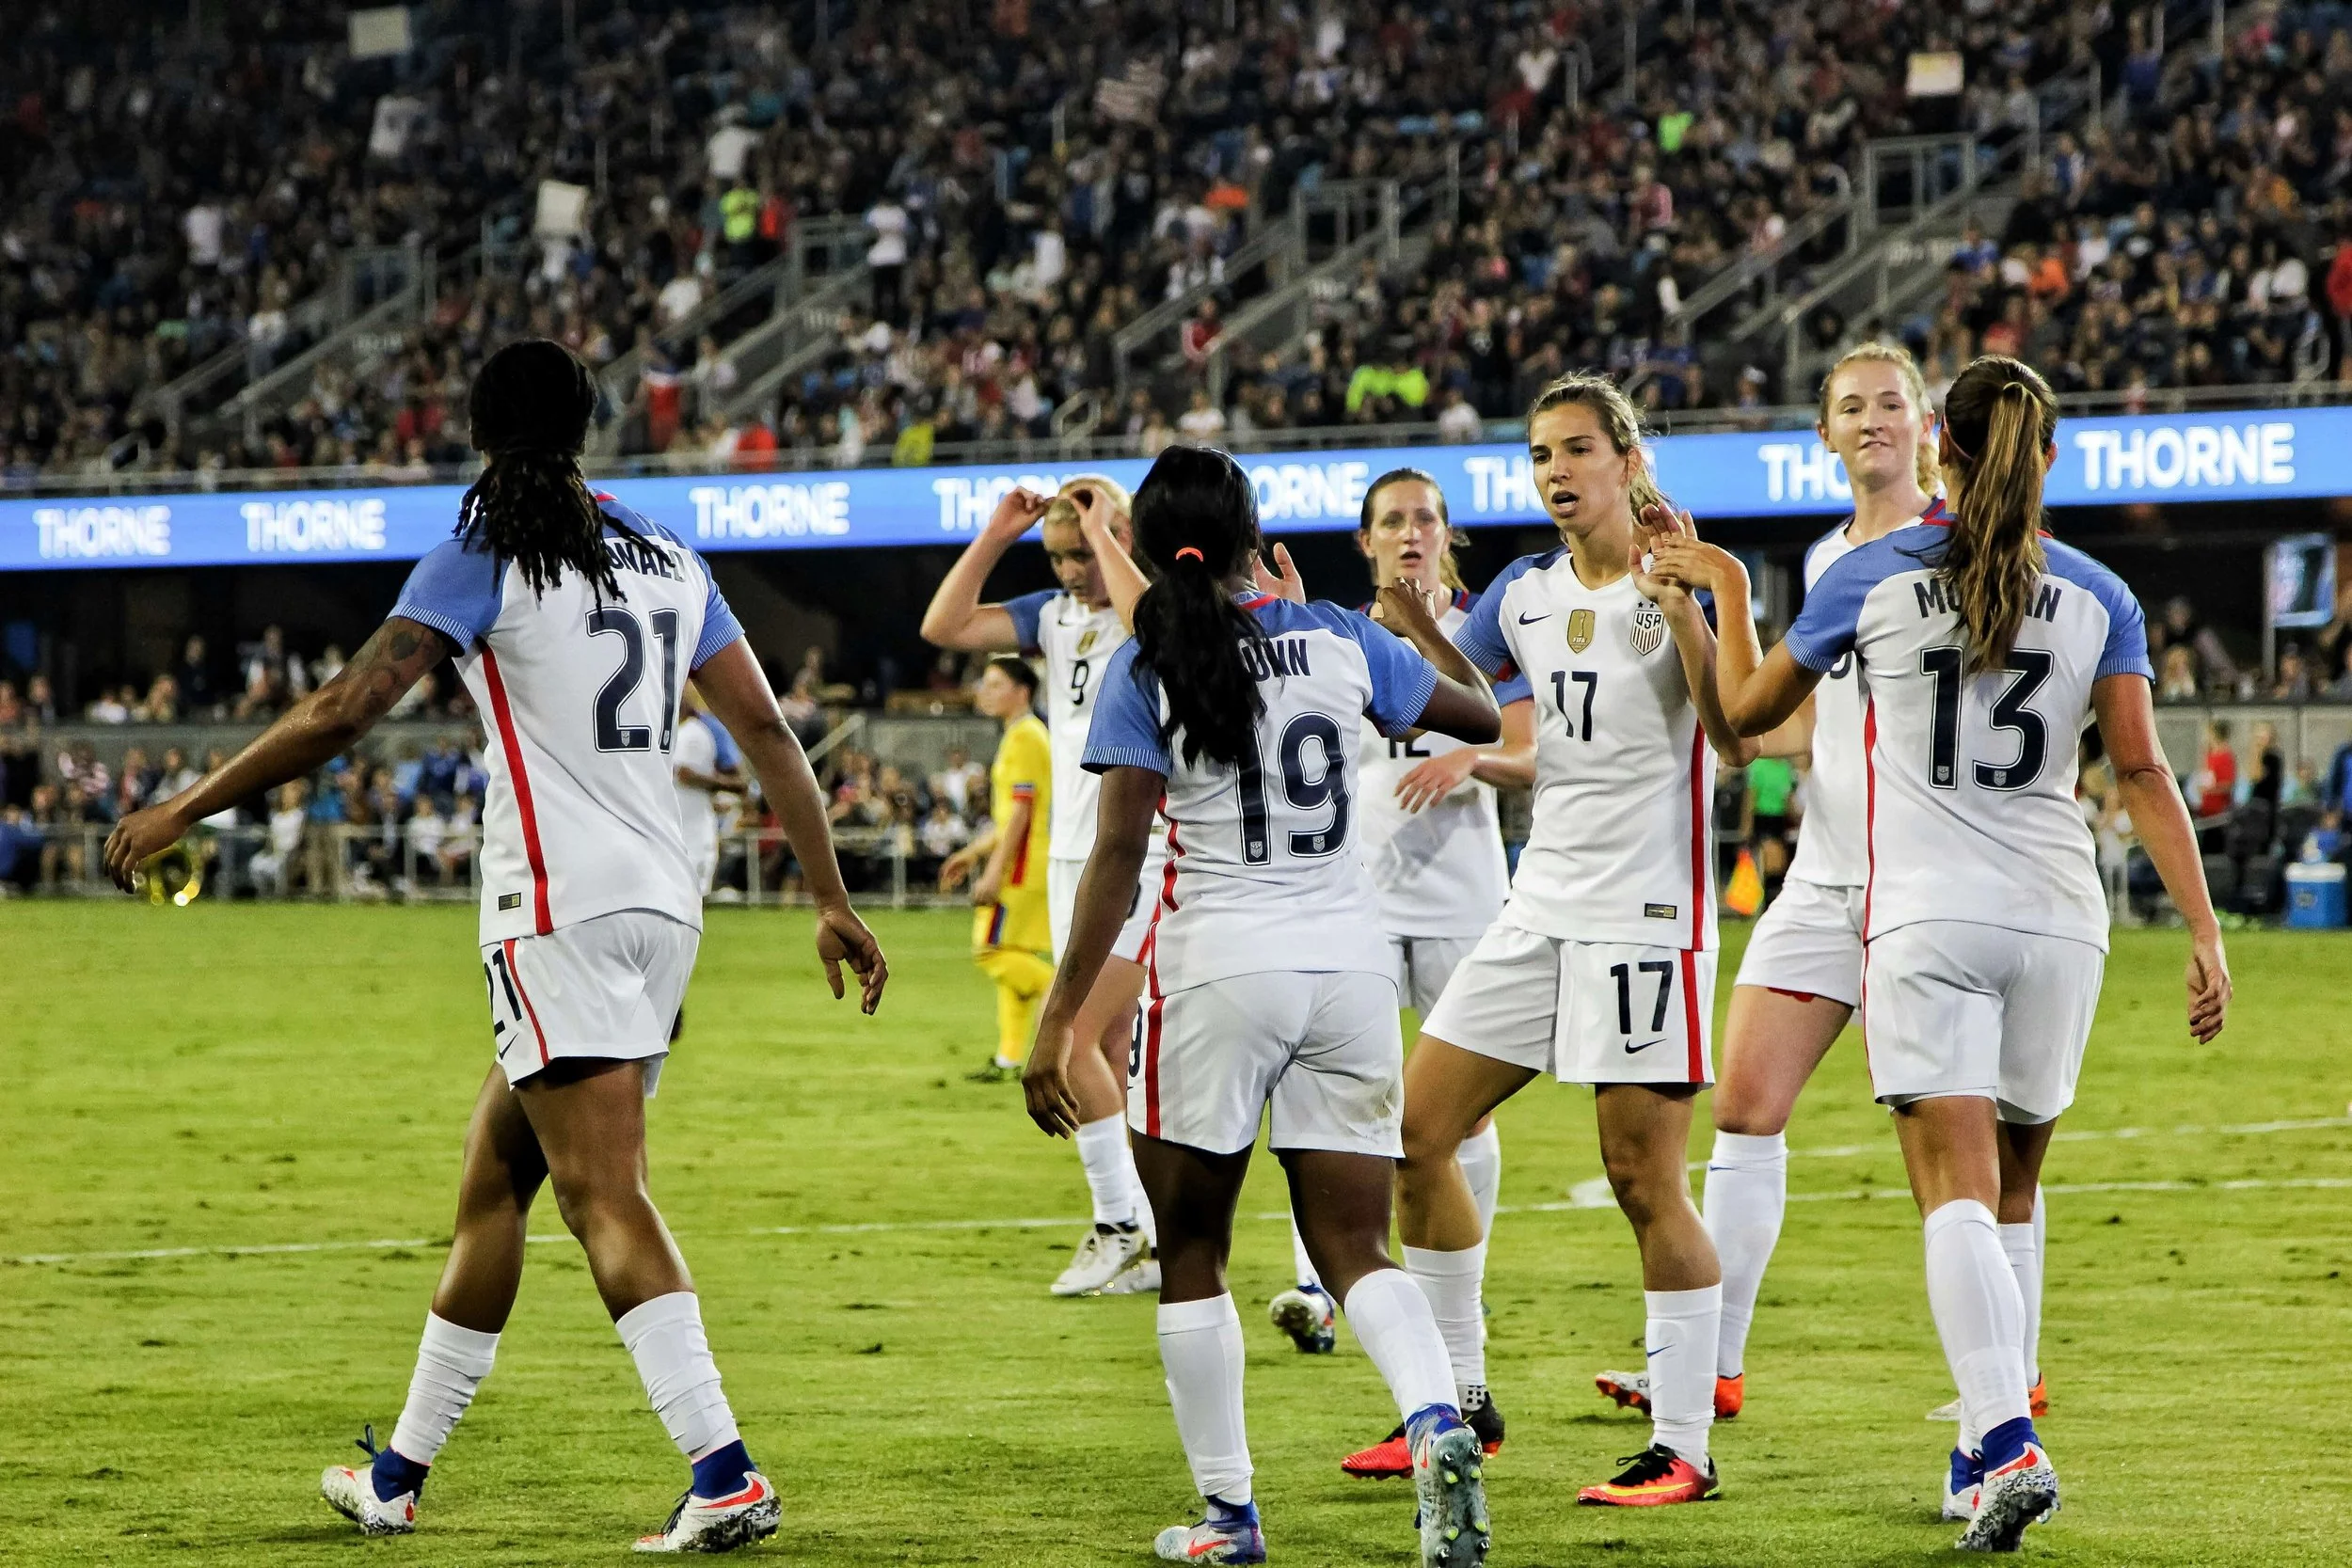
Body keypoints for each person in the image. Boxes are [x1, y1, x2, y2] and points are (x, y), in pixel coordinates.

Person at [103, 339, 889, 1554]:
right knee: (493, 1178)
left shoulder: (486, 549)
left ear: (478, 427)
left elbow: (345, 705)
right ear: (587, 423)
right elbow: (772, 734)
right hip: (660, 912)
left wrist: (183, 807)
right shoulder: (671, 554)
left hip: (556, 911)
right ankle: (399, 1474)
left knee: (601, 1193)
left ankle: (723, 1466)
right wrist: (830, 895)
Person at [1648, 353, 2228, 1550]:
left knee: (1952, 1194)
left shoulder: (1867, 574)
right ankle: (1979, 1446)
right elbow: (2141, 771)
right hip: (2064, 918)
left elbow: (1752, 724)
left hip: (1927, 914)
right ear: (2048, 458)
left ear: (1938, 454)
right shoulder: (2102, 592)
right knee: (2014, 1190)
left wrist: (1700, 605)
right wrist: (2206, 930)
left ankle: (2007, 1441)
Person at [1021, 444, 1502, 1568]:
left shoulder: (1150, 663)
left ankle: (1230, 1517)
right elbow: (1479, 716)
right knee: (1353, 1240)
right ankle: (1437, 1420)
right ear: (1253, 540)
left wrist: (1060, 1018)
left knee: (1191, 1247)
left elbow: (1118, 852)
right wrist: (1416, 622)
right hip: (1350, 970)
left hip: (1217, 971)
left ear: (1142, 546)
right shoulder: (1338, 633)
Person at [1590, 343, 2029, 1432]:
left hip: (1931, 890)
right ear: (1820, 434)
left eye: (1892, 402)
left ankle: (2007, 1382)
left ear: (1929, 425)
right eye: (1851, 405)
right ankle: (1715, 1361)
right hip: (1828, 876)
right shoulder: (1835, 555)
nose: (1873, 418)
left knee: (1974, 1155)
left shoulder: (1975, 549)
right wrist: (1694, 601)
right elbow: (1764, 727)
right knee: (1743, 1106)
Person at [1364, 372, 1756, 1510]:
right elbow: (1467, 695)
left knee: (1642, 1177)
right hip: (1538, 906)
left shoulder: (1683, 574)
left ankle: (1682, 1444)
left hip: (1648, 913)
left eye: (1576, 449)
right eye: (1540, 453)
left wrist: (1687, 613)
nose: (1554, 471)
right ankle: (1458, 1399)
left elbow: (1735, 739)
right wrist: (1416, 620)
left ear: (1625, 460)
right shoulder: (1525, 594)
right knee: (1416, 1131)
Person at [1279, 470, 1537, 1483]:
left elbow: (1536, 751)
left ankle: (1449, 1319)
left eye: (1425, 517)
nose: (1411, 532)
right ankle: (1371, 1307)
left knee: (1451, 1119)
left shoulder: (1488, 627)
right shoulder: (1335, 635)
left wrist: (1472, 762)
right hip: (1359, 896)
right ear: (1366, 538)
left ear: (1446, 534)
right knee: (1366, 1106)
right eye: (1392, 520)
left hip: (1466, 894)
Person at [921, 477, 1169, 1297]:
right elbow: (945, 625)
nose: (1070, 570)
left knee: (1088, 1037)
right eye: (1057, 556)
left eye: (1082, 550)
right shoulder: (1054, 618)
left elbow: (1153, 631)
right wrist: (996, 535)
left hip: (1140, 847)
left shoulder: (1155, 606)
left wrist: (1108, 539)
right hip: (1075, 855)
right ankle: (1149, 1231)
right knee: (1108, 1047)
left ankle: (1121, 1219)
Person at [940, 657, 1056, 1083]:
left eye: (993, 684)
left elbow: (1022, 816)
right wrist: (973, 852)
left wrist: (992, 872)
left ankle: (1065, 998)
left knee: (990, 950)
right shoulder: (1022, 735)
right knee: (1016, 954)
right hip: (1031, 861)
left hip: (1022, 867)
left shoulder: (1026, 738)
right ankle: (1009, 1058)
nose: (983, 692)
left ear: (1021, 692)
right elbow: (1011, 817)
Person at [674, 689, 743, 896]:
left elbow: (740, 781)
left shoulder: (702, 731)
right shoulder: (677, 733)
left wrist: (706, 784)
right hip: (677, 823)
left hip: (693, 825)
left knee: (692, 894)